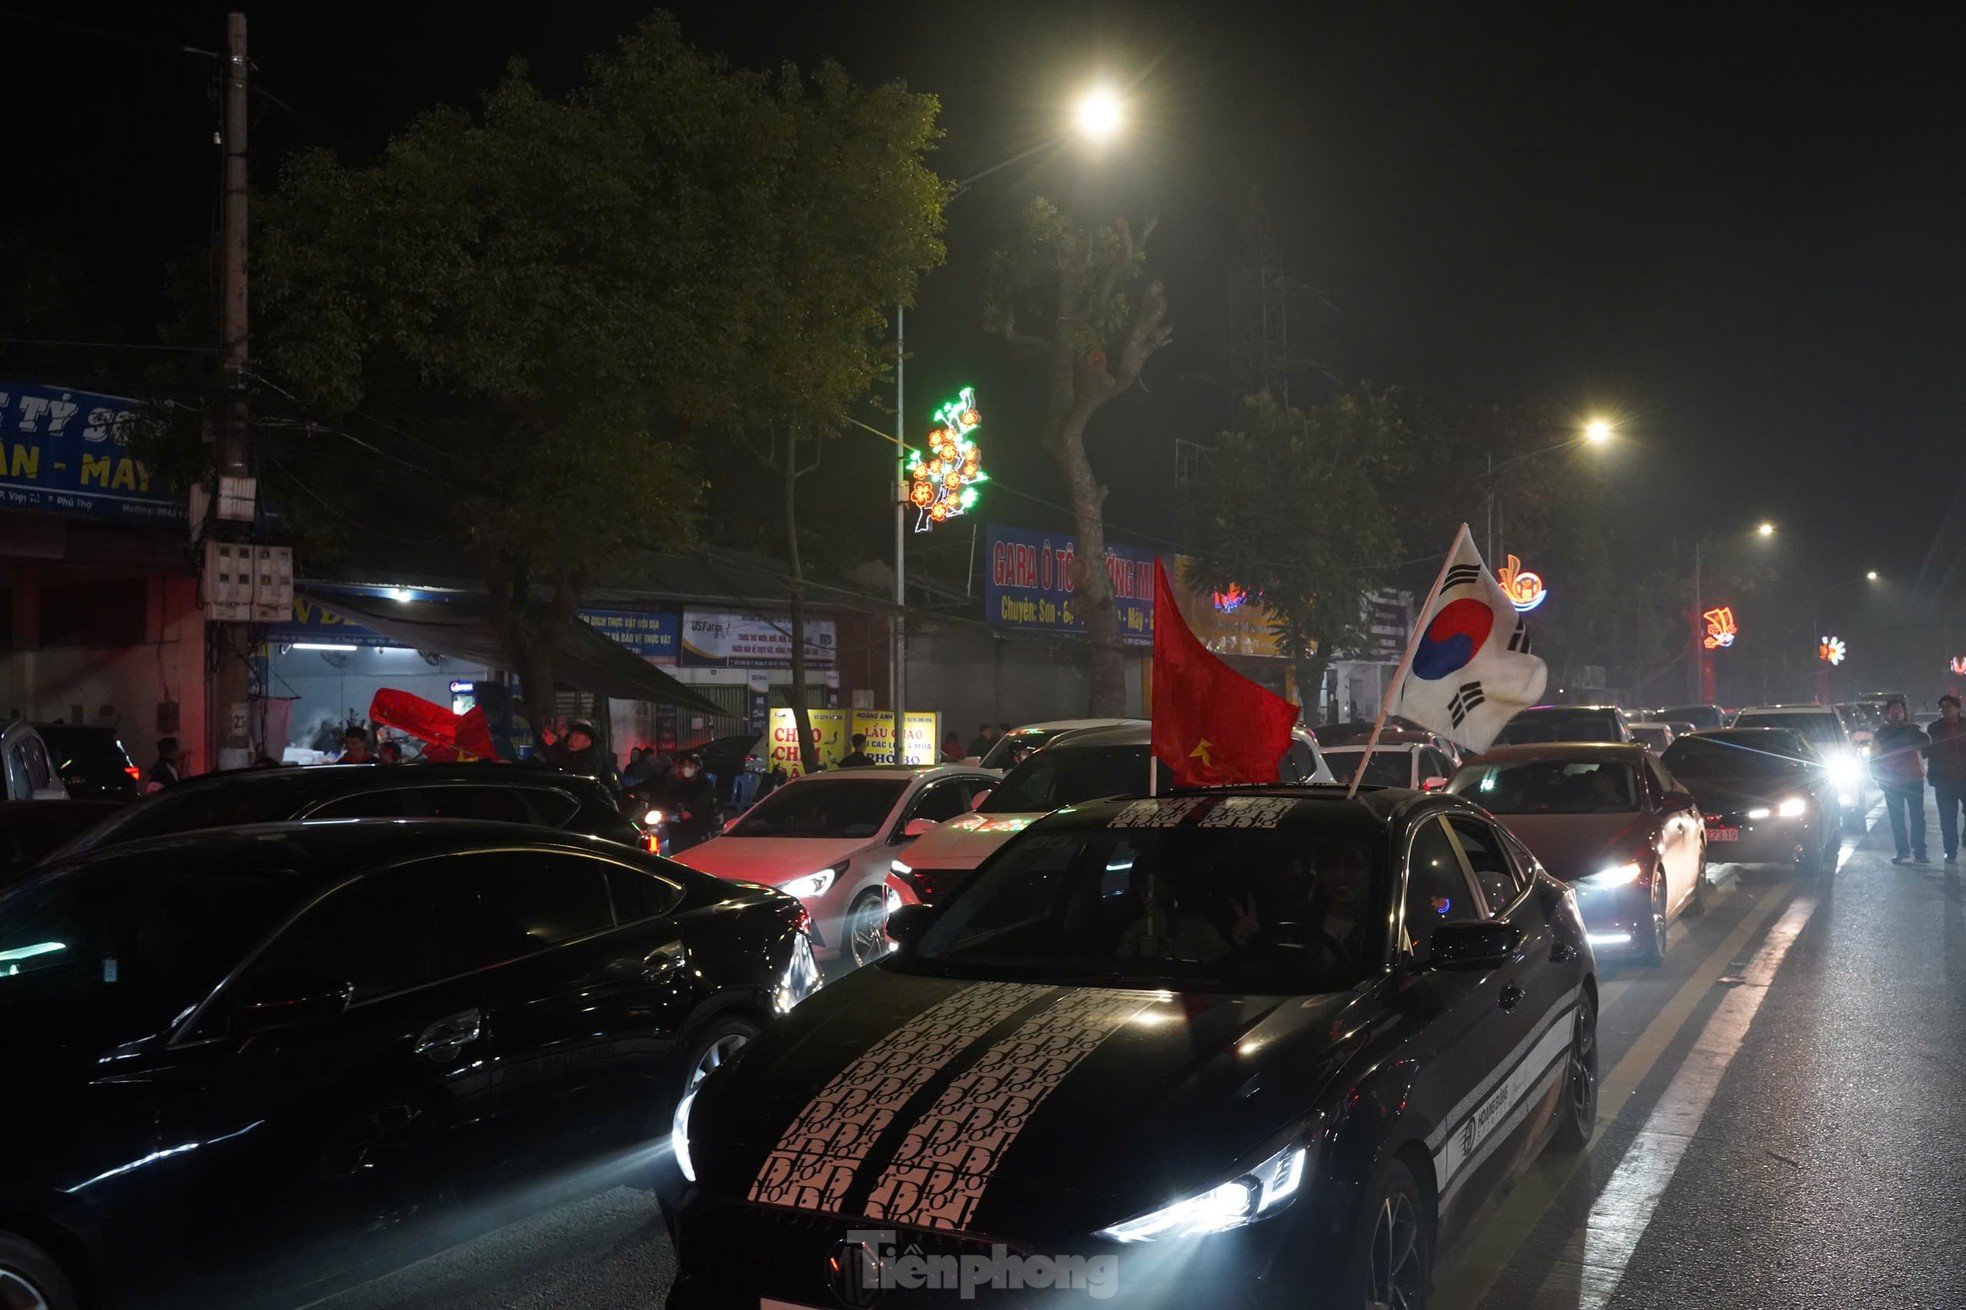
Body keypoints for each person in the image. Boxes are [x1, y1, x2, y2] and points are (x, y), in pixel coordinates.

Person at [1871, 697, 1930, 865]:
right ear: (1887, 713)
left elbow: (1927, 745)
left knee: (1918, 817)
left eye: (1900, 710)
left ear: (1904, 713)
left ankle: (1920, 852)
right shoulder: (1880, 733)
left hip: (1913, 778)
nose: (1897, 712)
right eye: (1893, 710)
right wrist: (1878, 777)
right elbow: (1874, 758)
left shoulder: (1913, 730)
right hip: (1892, 781)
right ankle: (1902, 851)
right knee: (1896, 818)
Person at [1927, 693, 1966, 867]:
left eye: (1948, 706)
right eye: (1942, 707)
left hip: (1964, 778)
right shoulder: (1934, 728)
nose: (1944, 710)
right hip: (1943, 780)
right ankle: (1950, 850)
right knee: (1947, 817)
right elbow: (1927, 750)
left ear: (1957, 708)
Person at [657, 752, 720, 851]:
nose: (686, 768)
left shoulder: (705, 784)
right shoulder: (678, 784)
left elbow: (703, 803)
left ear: (697, 768)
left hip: (697, 827)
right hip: (677, 827)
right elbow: (666, 799)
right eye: (684, 765)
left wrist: (690, 812)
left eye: (690, 765)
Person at [538, 719, 619, 794]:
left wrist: (555, 745)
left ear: (588, 740)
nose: (570, 741)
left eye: (576, 738)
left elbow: (576, 772)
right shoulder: (580, 752)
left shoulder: (592, 757)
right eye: (570, 736)